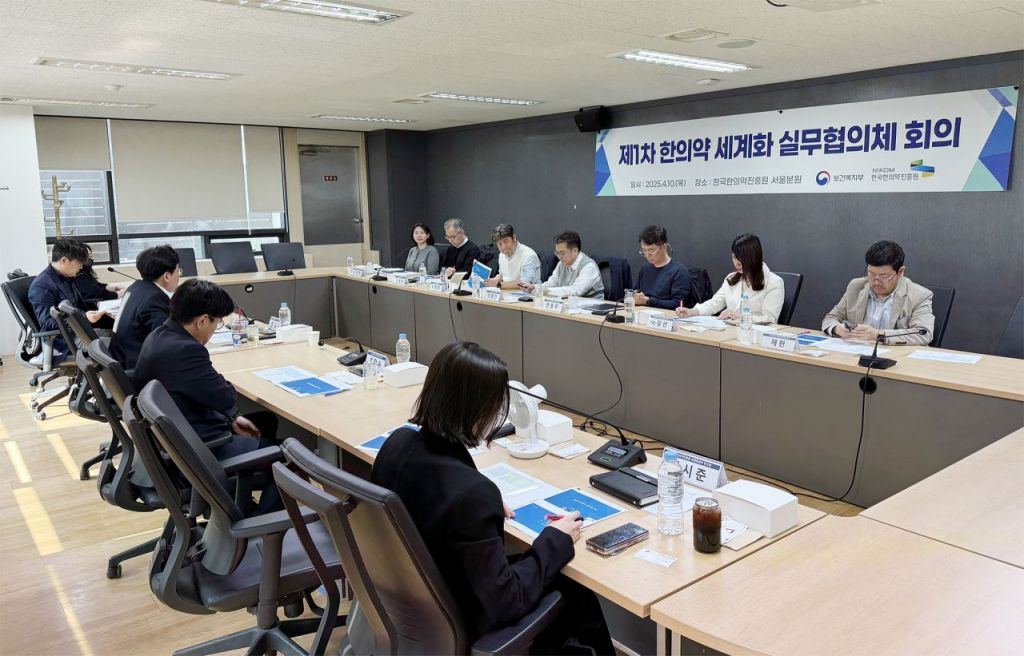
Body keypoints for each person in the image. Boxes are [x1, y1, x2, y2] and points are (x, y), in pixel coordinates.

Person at [371, 342, 614, 655]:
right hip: (457, 618)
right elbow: (508, 600)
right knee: (576, 593)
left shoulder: (398, 442)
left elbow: (429, 495)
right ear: (478, 410)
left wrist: (474, 505)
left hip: (411, 605)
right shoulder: (471, 493)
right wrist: (554, 539)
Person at [132, 279, 280, 462]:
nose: (215, 328)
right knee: (284, 455)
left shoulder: (158, 335)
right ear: (202, 321)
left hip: (174, 435)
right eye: (217, 322)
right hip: (198, 446)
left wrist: (232, 416)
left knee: (267, 420)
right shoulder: (186, 351)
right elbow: (226, 396)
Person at [822, 240, 934, 345]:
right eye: (871, 274)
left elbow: (924, 333)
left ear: (900, 272)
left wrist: (878, 335)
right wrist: (837, 329)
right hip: (855, 351)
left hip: (893, 355)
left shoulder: (919, 295)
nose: (876, 282)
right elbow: (831, 318)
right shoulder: (856, 286)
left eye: (883, 276)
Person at [28, 238, 109, 359]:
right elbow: (47, 323)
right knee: (118, 343)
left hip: (79, 332)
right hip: (65, 340)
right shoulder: (42, 285)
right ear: (64, 260)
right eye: (79, 263)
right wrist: (84, 317)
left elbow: (76, 305)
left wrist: (97, 306)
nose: (81, 267)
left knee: (121, 334)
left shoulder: (65, 277)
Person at [677, 233, 784, 323]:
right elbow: (715, 302)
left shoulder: (774, 282)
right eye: (734, 257)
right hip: (730, 332)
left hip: (755, 336)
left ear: (754, 257)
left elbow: (770, 319)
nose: (737, 263)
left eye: (742, 258)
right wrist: (693, 311)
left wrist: (739, 317)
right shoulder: (731, 278)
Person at [111, 245, 182, 369]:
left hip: (121, 357)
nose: (179, 275)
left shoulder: (136, 287)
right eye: (178, 270)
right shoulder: (155, 298)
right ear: (166, 276)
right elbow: (168, 340)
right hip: (137, 366)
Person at [521, 230, 604, 299]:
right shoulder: (561, 264)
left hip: (591, 308)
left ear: (575, 251)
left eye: (562, 253)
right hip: (569, 305)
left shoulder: (589, 267)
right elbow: (552, 283)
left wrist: (546, 291)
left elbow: (576, 291)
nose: (559, 257)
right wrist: (535, 287)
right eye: (557, 253)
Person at [634, 225, 691, 309]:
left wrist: (648, 301)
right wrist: (632, 297)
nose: (647, 255)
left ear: (664, 247)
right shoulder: (644, 270)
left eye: (651, 250)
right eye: (644, 250)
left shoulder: (679, 272)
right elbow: (636, 292)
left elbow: (679, 304)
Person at [485, 224, 541, 289]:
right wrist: (495, 280)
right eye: (499, 244)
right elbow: (502, 274)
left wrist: (498, 285)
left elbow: (524, 283)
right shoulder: (502, 254)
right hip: (507, 291)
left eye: (506, 242)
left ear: (514, 237)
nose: (503, 247)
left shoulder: (529, 256)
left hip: (529, 293)